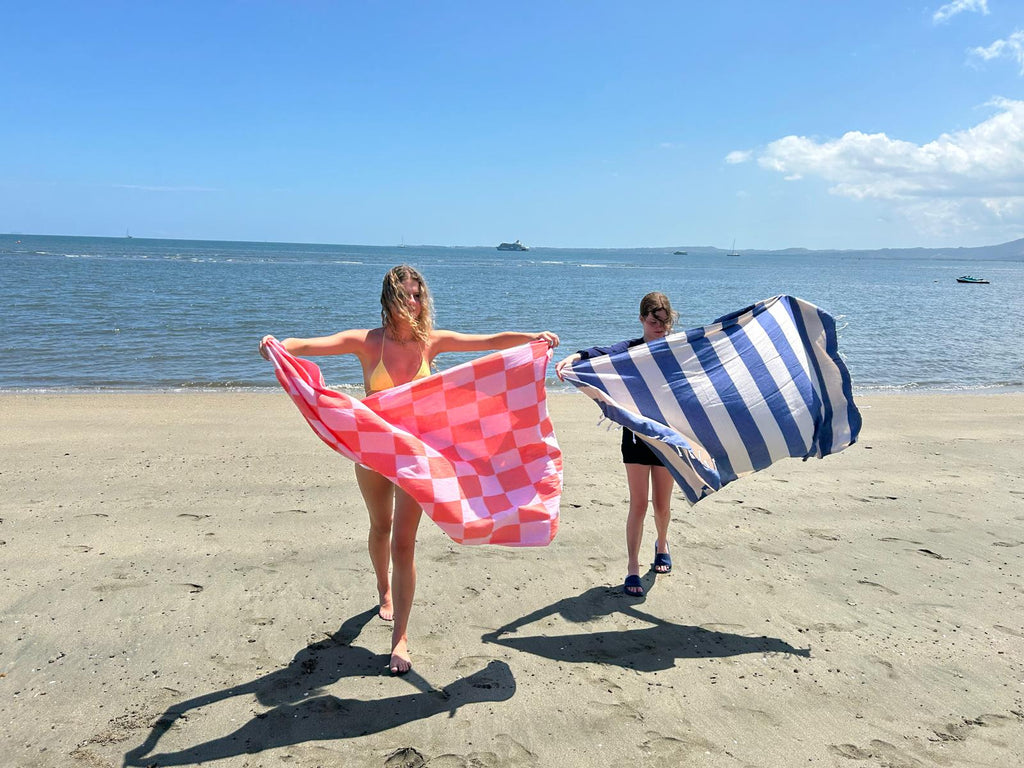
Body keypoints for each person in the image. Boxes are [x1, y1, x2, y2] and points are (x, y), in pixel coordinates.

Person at [260, 264, 559, 674]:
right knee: (380, 528)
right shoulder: (368, 343)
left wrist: (533, 340)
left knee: (404, 542)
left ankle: (400, 637)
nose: (413, 303)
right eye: (405, 295)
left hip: (416, 459)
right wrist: (277, 344)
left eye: (418, 295)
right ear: (389, 299)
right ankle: (383, 588)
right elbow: (308, 347)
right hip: (373, 454)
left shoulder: (429, 343)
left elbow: (488, 342)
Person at [555, 292, 677, 598]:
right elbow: (601, 353)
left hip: (668, 435)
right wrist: (575, 357)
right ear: (642, 319)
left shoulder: (677, 349)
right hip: (636, 436)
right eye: (653, 320)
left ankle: (662, 544)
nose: (658, 326)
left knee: (662, 504)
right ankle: (633, 566)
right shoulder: (631, 350)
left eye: (664, 320)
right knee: (638, 504)